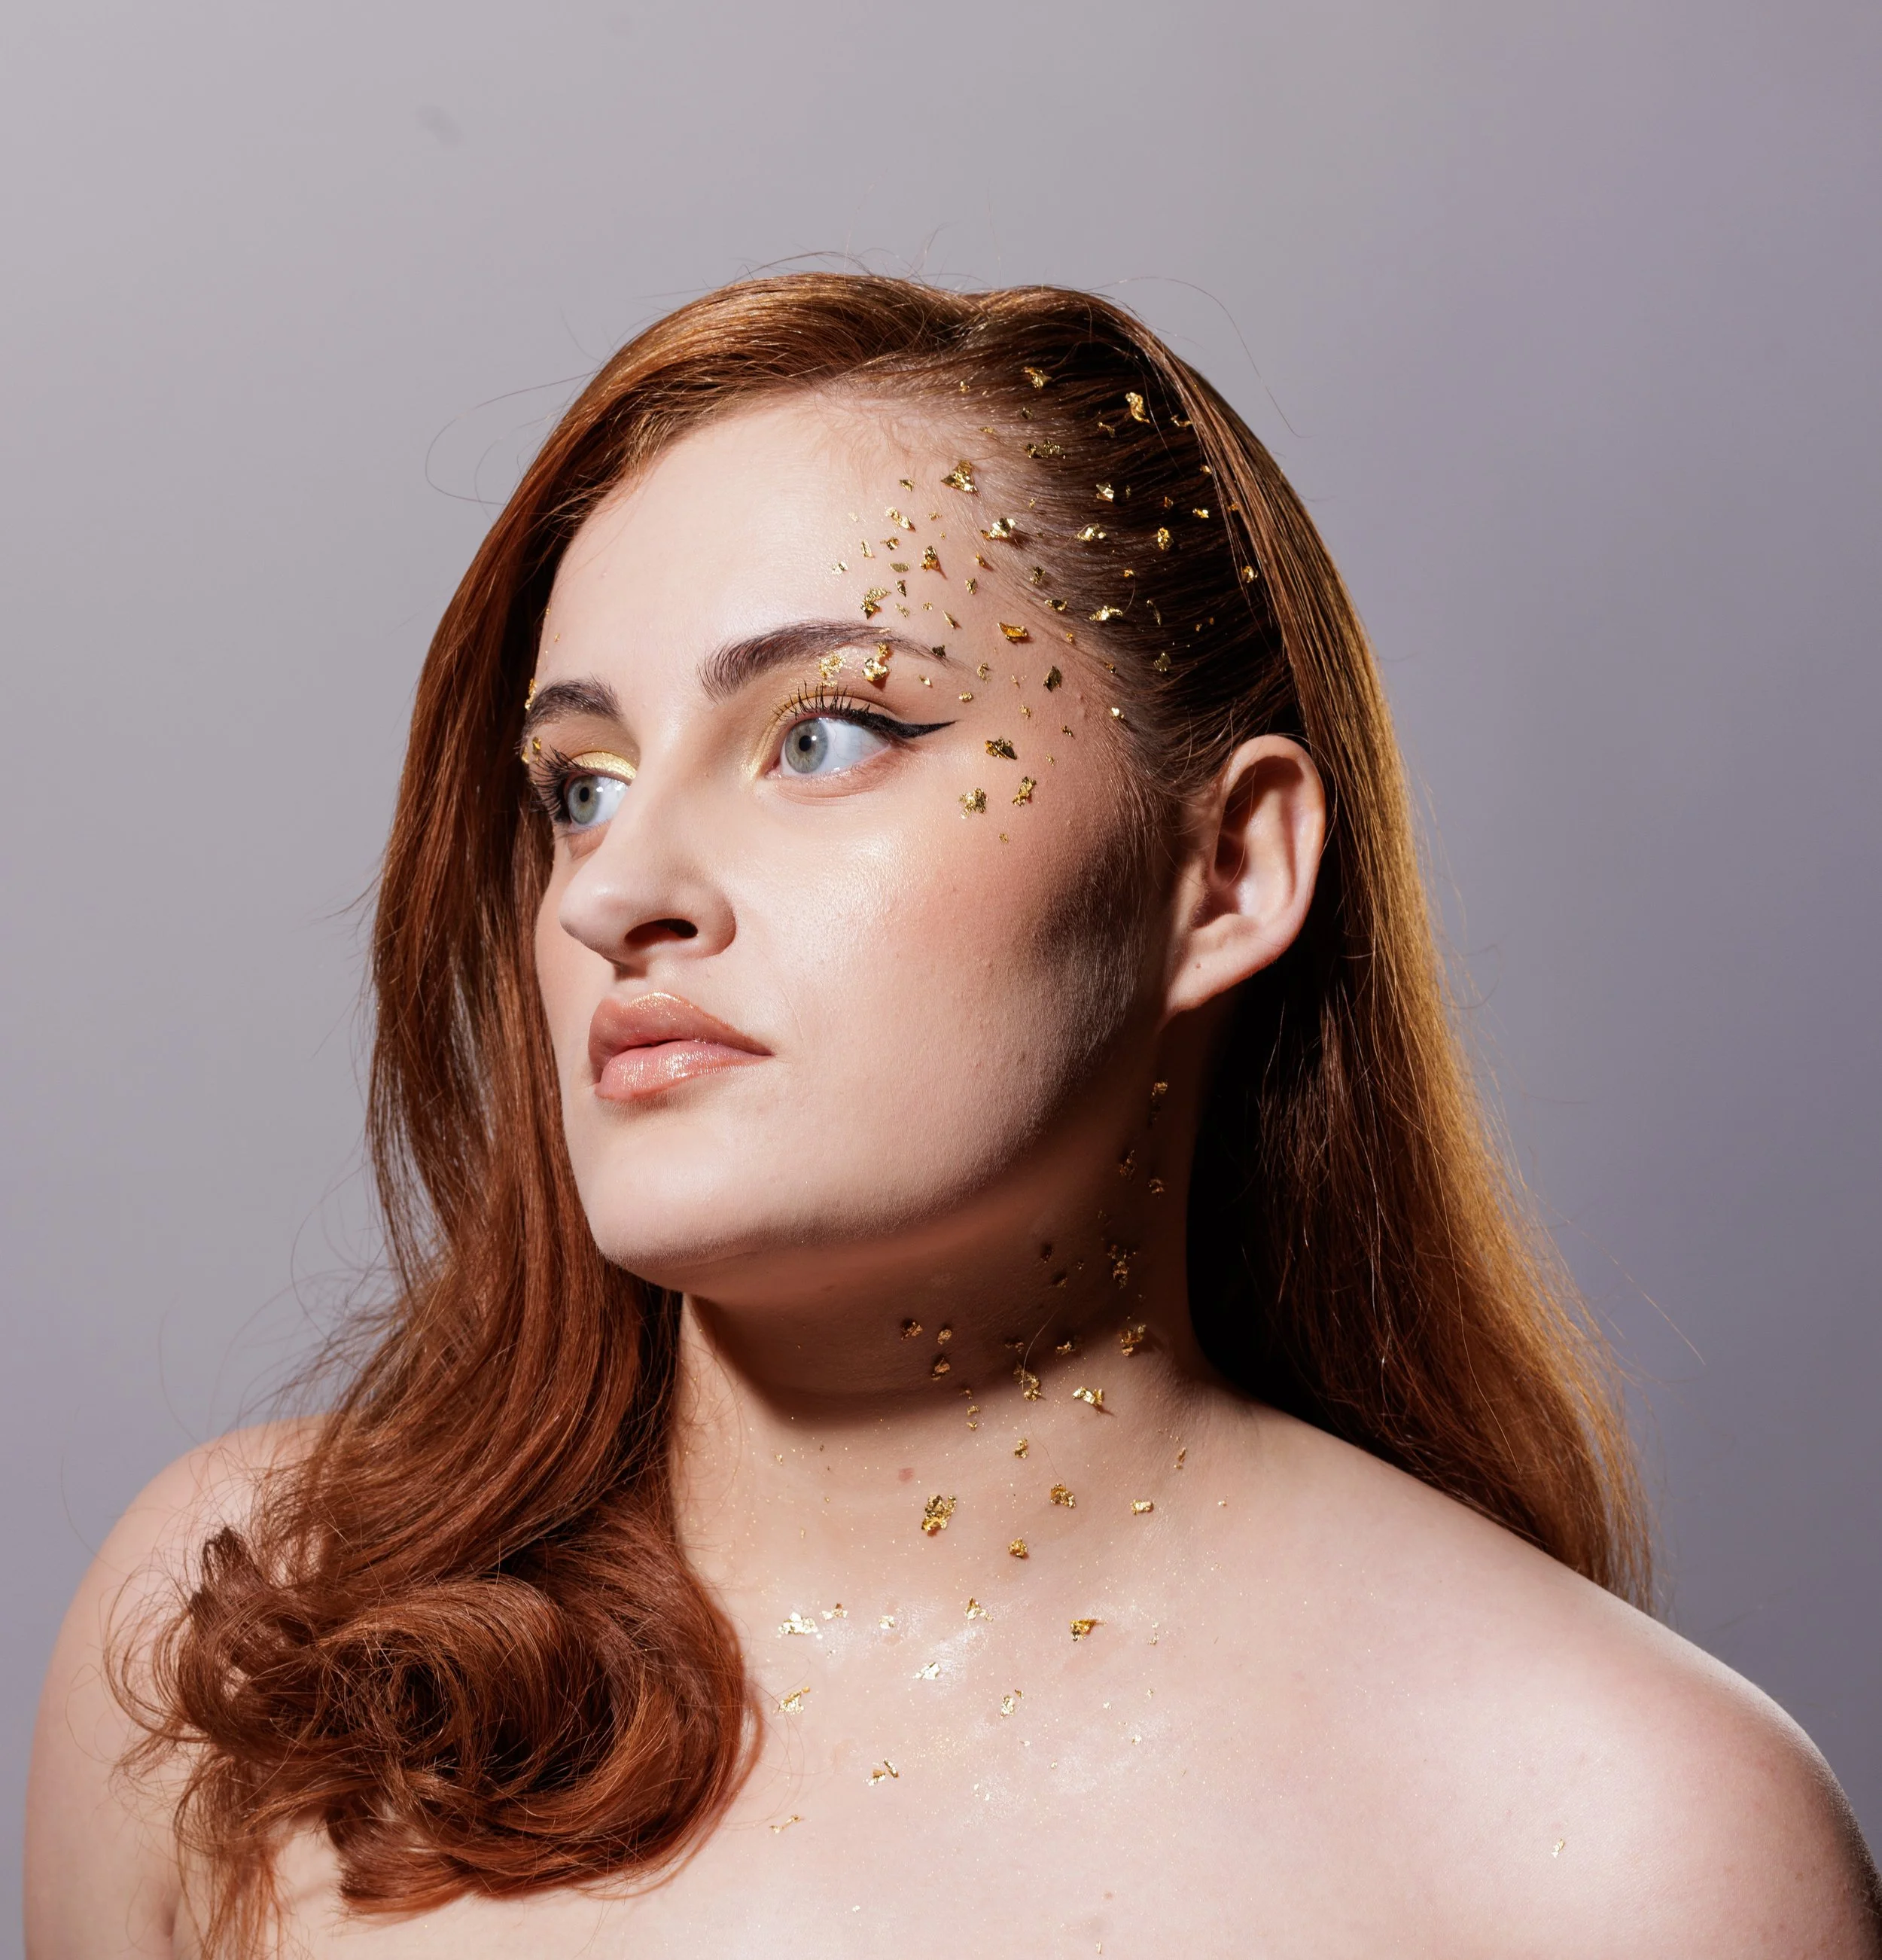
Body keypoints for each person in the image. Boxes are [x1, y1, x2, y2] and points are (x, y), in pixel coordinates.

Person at [26, 274, 1879, 1958]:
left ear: (1226, 868)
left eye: (824, 734)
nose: (614, 893)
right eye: (577, 784)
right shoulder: (242, 1648)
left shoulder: (1613, 1840)